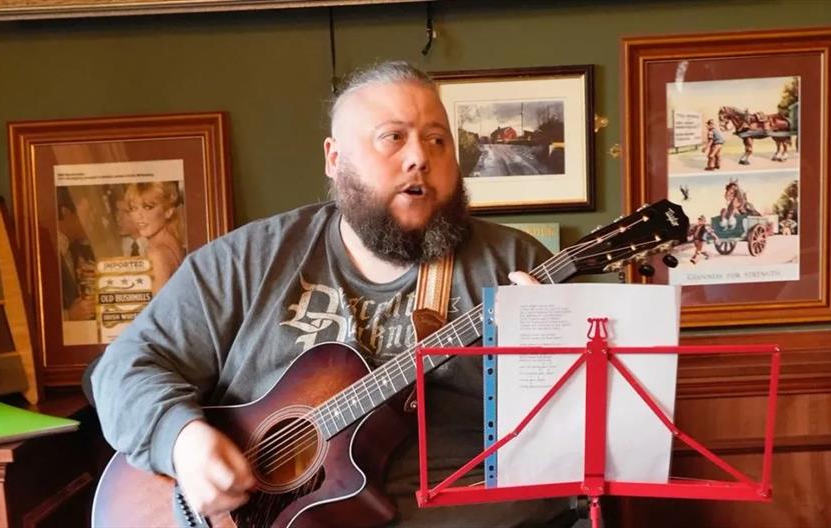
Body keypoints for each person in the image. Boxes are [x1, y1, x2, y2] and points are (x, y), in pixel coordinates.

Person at [90, 61, 570, 527]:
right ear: (336, 159)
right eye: (394, 137)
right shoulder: (249, 260)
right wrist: (182, 442)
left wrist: (545, 355)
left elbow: (587, 429)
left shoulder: (516, 266)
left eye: (437, 139)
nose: (420, 156)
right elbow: (126, 367)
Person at [125, 181, 186, 293]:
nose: (139, 216)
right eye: (134, 208)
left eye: (148, 207)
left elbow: (160, 308)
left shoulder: (157, 253)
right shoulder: (174, 244)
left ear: (168, 211)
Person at [56, 187, 96, 321]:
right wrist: (69, 316)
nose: (92, 219)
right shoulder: (44, 251)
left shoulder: (77, 250)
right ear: (66, 212)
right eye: (88, 212)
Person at [110, 186, 148, 257]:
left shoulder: (156, 246)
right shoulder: (115, 246)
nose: (118, 218)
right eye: (117, 211)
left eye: (125, 212)